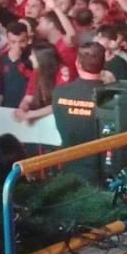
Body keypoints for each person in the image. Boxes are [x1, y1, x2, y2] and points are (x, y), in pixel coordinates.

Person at [50, 43, 107, 185]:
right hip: (101, 173)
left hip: (68, 167)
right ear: (104, 64)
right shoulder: (110, 97)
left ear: (77, 63)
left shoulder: (59, 92)